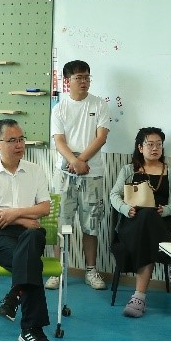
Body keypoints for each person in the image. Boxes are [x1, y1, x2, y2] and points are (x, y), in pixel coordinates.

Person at [0, 119, 55, 341]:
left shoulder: (35, 170)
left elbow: (45, 207)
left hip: (30, 233)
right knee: (29, 262)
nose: (19, 145)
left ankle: (16, 297)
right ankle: (31, 329)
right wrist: (20, 219)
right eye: (12, 140)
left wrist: (14, 213)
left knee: (32, 241)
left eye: (21, 139)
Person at [109, 127, 171, 318]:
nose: (155, 148)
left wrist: (166, 210)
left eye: (159, 145)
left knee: (150, 218)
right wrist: (126, 209)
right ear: (140, 147)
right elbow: (114, 195)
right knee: (146, 215)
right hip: (132, 224)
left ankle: (139, 297)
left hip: (160, 223)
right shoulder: (128, 170)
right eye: (150, 144)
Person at [49, 60, 110, 291]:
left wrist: (81, 160)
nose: (84, 81)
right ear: (68, 81)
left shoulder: (99, 104)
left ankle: (91, 271)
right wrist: (74, 162)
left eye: (87, 77)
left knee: (91, 225)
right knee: (60, 223)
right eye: (78, 78)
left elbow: (101, 137)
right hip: (64, 174)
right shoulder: (59, 108)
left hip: (92, 174)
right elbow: (59, 141)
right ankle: (57, 270)